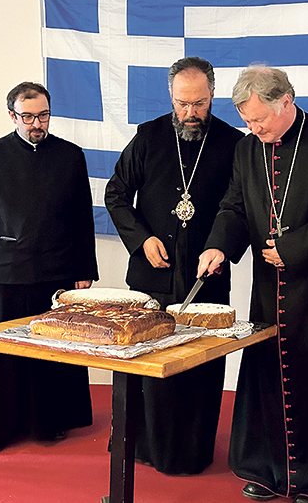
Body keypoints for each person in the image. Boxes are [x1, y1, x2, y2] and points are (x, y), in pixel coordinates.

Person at [197, 65, 308, 502]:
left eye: (260, 120)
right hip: (269, 289)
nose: (253, 129)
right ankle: (267, 468)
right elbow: (235, 206)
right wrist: (219, 245)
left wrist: (292, 249)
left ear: (286, 103)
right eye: (247, 122)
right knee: (267, 375)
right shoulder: (246, 149)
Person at [104, 56, 244, 475]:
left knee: (200, 368)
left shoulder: (234, 143)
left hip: (207, 278)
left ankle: (191, 450)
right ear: (171, 96)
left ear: (212, 96)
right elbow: (116, 194)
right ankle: (144, 445)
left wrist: (221, 246)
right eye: (183, 104)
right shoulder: (147, 138)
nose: (190, 113)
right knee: (148, 365)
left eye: (199, 104)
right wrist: (140, 238)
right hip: (152, 277)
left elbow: (240, 206)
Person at [0, 81, 99, 453]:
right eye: (28, 116)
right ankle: (2, 426)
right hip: (7, 270)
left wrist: (84, 268)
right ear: (12, 116)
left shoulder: (71, 155)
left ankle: (50, 422)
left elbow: (81, 217)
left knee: (52, 348)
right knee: (7, 349)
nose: (37, 123)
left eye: (43, 115)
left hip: (58, 270)